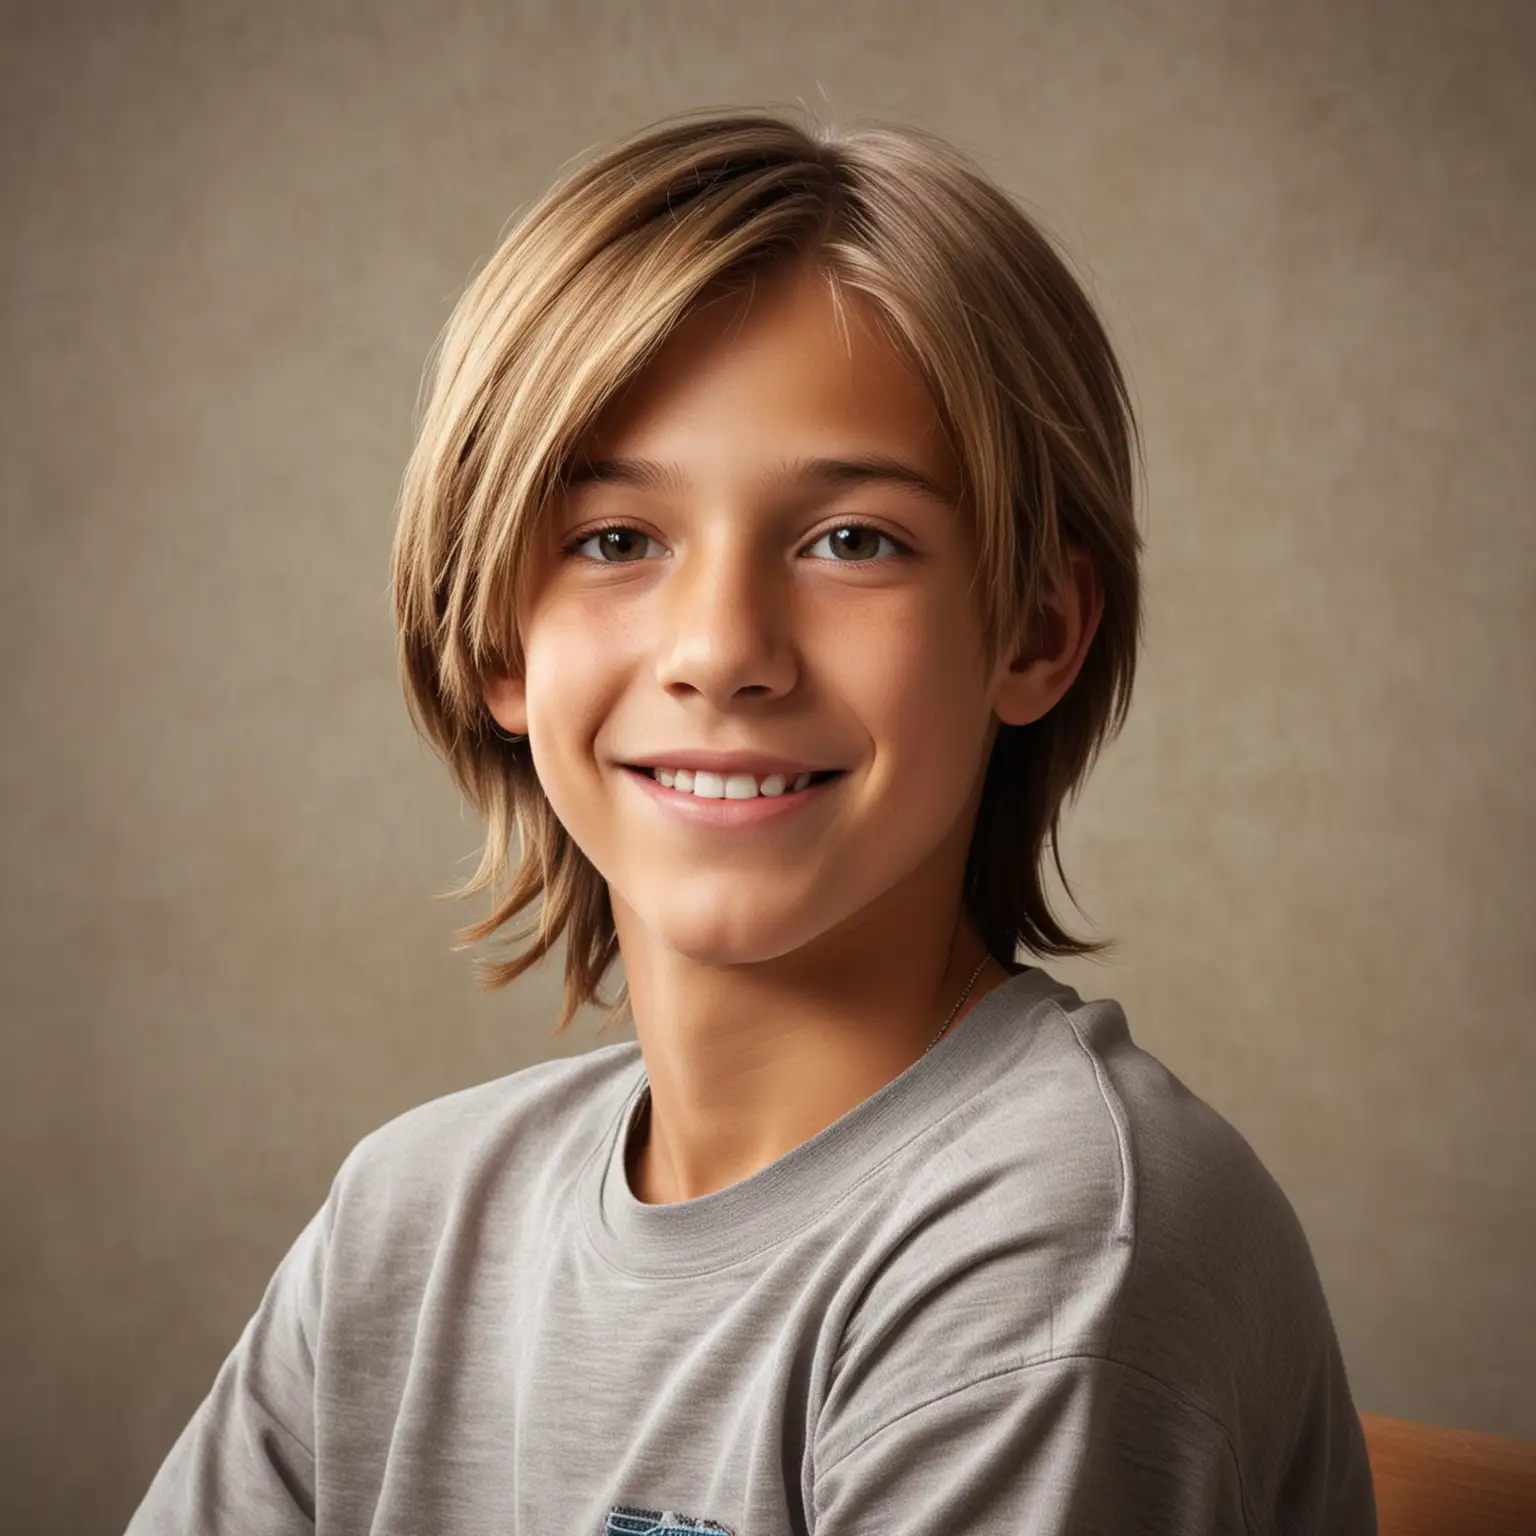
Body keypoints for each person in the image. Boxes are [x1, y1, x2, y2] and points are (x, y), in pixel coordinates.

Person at [127, 107, 1377, 1533]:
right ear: (496, 641)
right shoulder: (408, 1219)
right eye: (615, 541)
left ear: (1035, 629)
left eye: (854, 540)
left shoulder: (1062, 1250)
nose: (722, 649)